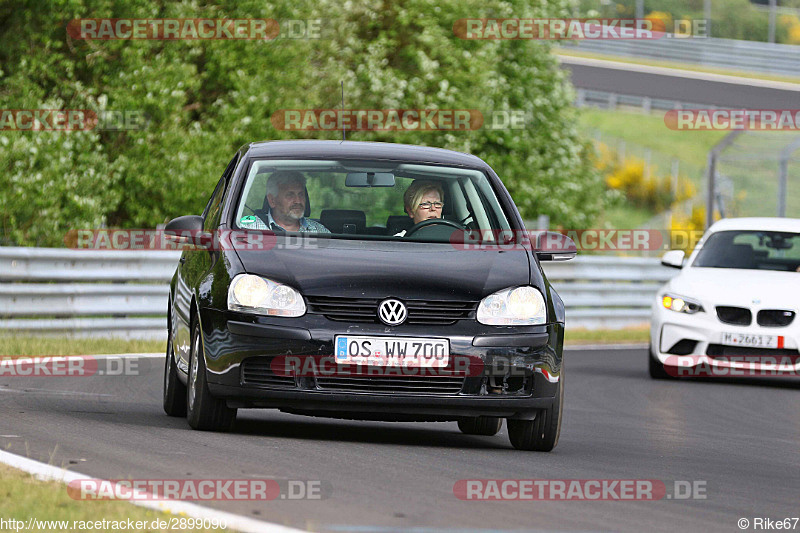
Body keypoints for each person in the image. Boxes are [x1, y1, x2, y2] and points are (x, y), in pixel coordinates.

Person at [239, 171, 330, 233]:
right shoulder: (248, 229)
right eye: (290, 195)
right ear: (272, 200)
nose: (298, 201)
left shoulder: (319, 231)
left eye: (301, 194)